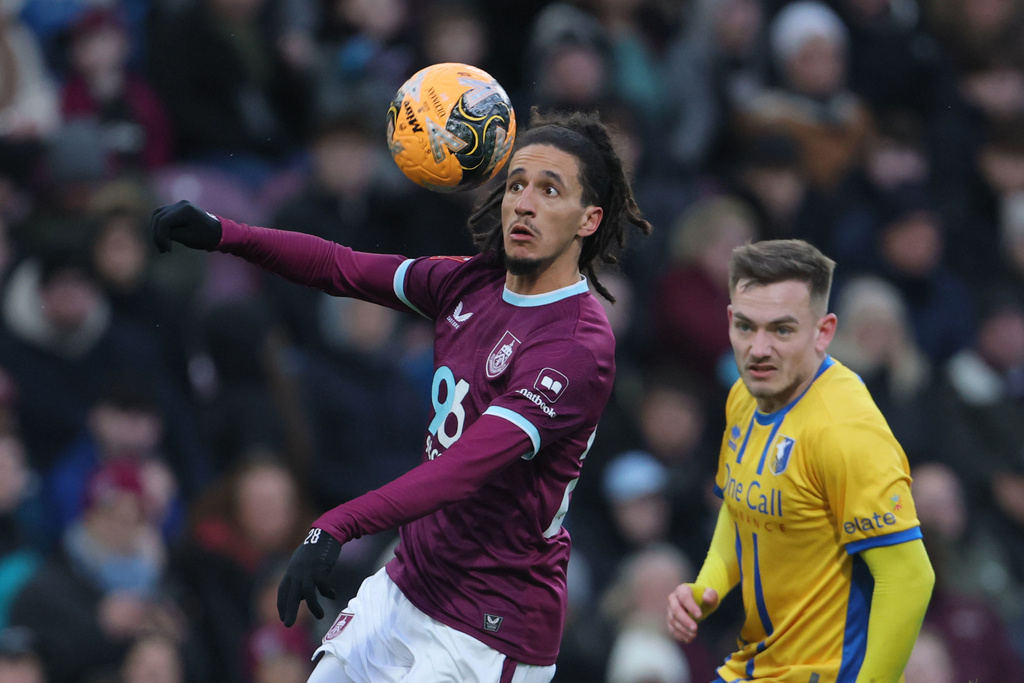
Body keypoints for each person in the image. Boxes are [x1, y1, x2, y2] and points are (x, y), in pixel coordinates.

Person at [150, 108, 651, 682]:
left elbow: (462, 470)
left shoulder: (577, 344)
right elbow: (340, 267)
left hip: (489, 625)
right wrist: (224, 233)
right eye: (516, 184)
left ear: (589, 220)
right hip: (407, 581)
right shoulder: (471, 281)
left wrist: (338, 523)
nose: (524, 202)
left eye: (549, 189)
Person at [666, 239, 935, 682]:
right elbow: (741, 511)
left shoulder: (844, 430)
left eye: (782, 330)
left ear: (823, 332)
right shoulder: (745, 395)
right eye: (747, 327)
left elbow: (909, 579)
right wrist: (705, 588)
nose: (758, 348)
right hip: (754, 667)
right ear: (730, 320)